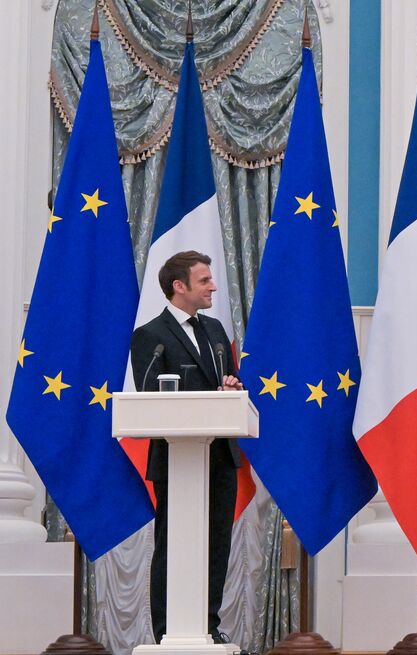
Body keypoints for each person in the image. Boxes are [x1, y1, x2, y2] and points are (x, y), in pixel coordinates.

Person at [130, 250, 244, 645]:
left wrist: (231, 387)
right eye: (204, 280)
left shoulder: (215, 330)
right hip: (177, 459)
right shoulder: (150, 335)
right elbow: (149, 396)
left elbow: (229, 382)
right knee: (173, 545)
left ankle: (207, 627)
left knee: (217, 545)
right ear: (179, 286)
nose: (213, 286)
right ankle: (167, 631)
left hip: (220, 456)